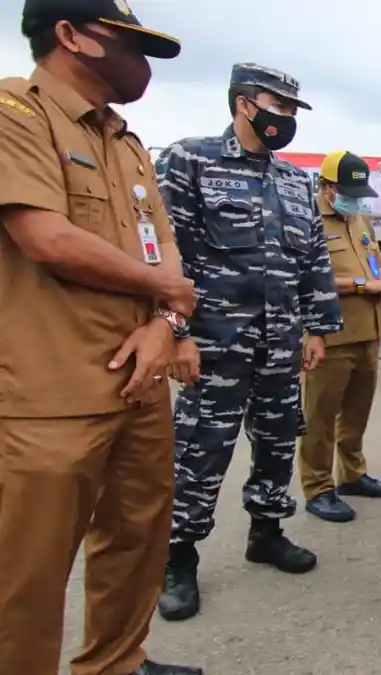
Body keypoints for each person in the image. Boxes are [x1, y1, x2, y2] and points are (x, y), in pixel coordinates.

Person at [0, 2, 202, 673]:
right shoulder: (15, 114)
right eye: (129, 45)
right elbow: (46, 237)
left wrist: (166, 323)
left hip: (140, 384)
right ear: (71, 35)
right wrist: (168, 292)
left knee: (137, 542)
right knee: (24, 582)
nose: (142, 65)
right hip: (47, 398)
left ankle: (115, 665)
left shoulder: (127, 142)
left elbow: (165, 251)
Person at [155, 63, 343, 622]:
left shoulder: (293, 181)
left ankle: (266, 532)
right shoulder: (190, 160)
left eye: (291, 110)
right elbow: (166, 253)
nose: (285, 118)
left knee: (278, 443)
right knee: (199, 454)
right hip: (214, 346)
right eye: (277, 106)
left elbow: (312, 258)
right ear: (243, 103)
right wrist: (177, 333)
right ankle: (178, 558)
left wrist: (316, 327)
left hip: (280, 346)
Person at [298, 150, 381, 523]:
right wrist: (361, 285)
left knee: (357, 412)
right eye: (346, 190)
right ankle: (318, 487)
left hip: (367, 333)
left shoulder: (361, 220)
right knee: (319, 417)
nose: (354, 199)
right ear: (325, 187)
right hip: (330, 335)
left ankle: (352, 474)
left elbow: (376, 266)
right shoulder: (308, 220)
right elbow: (305, 276)